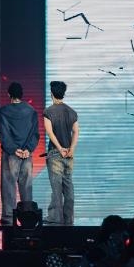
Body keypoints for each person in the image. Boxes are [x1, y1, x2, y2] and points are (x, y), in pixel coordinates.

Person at [0, 82, 40, 226]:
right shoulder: (31, 111)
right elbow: (35, 134)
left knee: (8, 186)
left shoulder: (3, 112)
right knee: (26, 186)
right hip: (27, 154)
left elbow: (4, 134)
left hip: (11, 154)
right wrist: (28, 149)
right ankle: (28, 218)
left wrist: (14, 149)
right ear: (22, 94)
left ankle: (9, 218)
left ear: (9, 94)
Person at [44, 80, 79, 225]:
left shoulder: (48, 111)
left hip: (55, 154)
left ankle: (55, 218)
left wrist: (59, 148)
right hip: (69, 155)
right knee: (68, 186)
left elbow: (50, 133)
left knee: (56, 188)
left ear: (51, 93)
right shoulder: (72, 111)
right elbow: (76, 131)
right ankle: (69, 218)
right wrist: (71, 149)